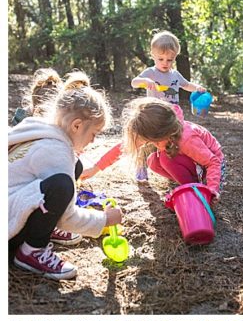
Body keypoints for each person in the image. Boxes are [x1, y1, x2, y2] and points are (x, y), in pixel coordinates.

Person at [8, 70, 123, 280]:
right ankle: (31, 251)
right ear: (77, 125)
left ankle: (44, 227)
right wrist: (104, 219)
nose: (93, 141)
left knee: (75, 166)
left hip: (10, 205)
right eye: (93, 134)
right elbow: (68, 217)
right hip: (8, 226)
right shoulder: (56, 153)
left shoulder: (38, 128)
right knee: (62, 185)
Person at [84, 97, 225, 202]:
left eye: (154, 142)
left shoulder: (186, 139)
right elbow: (123, 147)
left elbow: (213, 162)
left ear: (164, 134)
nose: (150, 144)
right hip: (193, 162)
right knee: (153, 161)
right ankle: (189, 185)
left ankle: (195, 191)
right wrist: (95, 168)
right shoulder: (163, 130)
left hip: (209, 167)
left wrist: (211, 189)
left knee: (165, 158)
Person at [130, 30, 207, 112]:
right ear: (153, 55)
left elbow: (187, 85)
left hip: (172, 113)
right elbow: (134, 83)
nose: (165, 63)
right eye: (161, 59)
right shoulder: (151, 72)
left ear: (175, 57)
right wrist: (145, 80)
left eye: (169, 60)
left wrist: (197, 88)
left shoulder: (175, 74)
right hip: (154, 113)